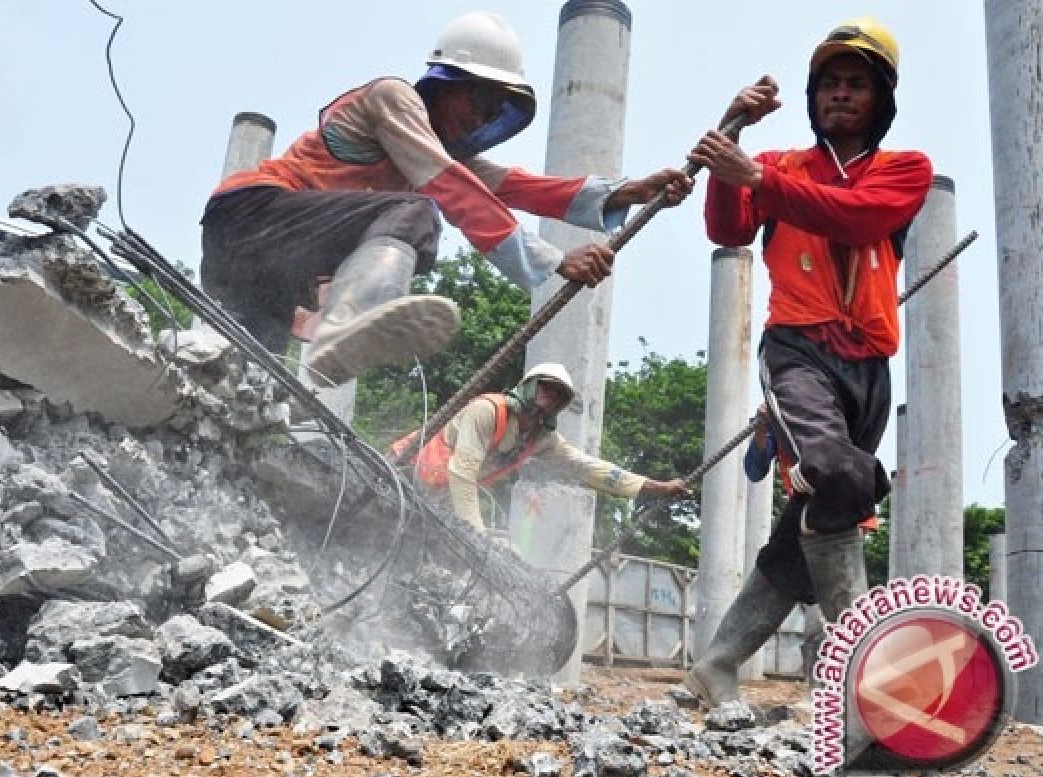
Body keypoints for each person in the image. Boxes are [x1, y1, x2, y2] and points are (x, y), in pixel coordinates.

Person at [199, 11, 691, 386]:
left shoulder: (432, 154)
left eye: (494, 112)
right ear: (448, 84)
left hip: (270, 274)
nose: (481, 120)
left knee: (244, 380)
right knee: (415, 213)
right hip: (248, 217)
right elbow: (453, 188)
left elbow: (514, 185)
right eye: (480, 101)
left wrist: (624, 192)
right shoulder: (392, 100)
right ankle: (344, 325)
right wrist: (555, 260)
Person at [683, 16, 932, 708]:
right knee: (834, 473)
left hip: (869, 371)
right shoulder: (784, 166)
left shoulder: (902, 170)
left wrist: (755, 173)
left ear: (881, 98)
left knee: (812, 523)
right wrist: (732, 131)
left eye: (856, 83)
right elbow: (727, 227)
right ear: (812, 94)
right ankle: (864, 664)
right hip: (798, 351)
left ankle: (717, 666)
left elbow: (855, 218)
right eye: (828, 83)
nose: (840, 94)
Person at [389, 362, 687, 534]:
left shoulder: (539, 438)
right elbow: (462, 471)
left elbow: (586, 467)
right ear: (530, 385)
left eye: (558, 395)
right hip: (401, 474)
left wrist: (655, 488)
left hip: (433, 496)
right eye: (546, 387)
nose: (551, 396)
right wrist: (475, 532)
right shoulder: (488, 410)